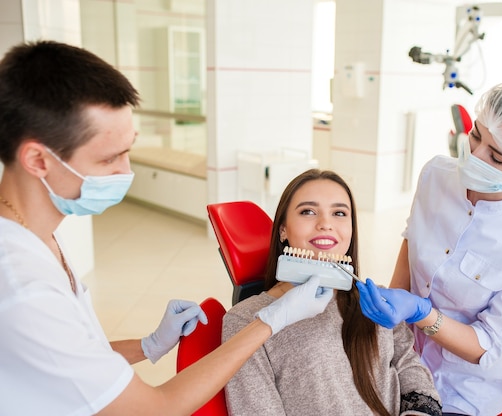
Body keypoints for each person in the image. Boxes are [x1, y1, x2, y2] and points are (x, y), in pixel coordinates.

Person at [0, 40, 333, 416]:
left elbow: (71, 357)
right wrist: (271, 321)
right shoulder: (22, 287)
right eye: (110, 158)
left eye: (129, 150)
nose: (126, 172)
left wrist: (147, 346)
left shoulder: (34, 236)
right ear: (37, 160)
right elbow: (156, 408)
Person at [356, 79, 502, 415]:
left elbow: (487, 346)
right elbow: (411, 243)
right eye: (476, 135)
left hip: (463, 396)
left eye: (497, 157)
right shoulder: (435, 175)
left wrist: (421, 313)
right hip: (399, 368)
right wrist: (392, 318)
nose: (474, 155)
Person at [222, 169, 443, 416]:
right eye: (308, 211)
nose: (325, 224)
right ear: (283, 229)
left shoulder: (377, 302)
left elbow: (408, 364)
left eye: (339, 213)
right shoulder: (246, 321)